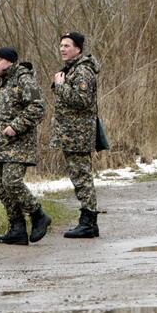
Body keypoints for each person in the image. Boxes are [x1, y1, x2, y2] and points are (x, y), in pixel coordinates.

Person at [0, 47, 51, 245]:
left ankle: (38, 214)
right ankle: (17, 229)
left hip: (19, 144)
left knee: (12, 183)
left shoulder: (24, 79)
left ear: (10, 62)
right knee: (2, 189)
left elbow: (38, 107)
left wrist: (15, 127)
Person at [50, 32, 102, 238]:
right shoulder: (71, 70)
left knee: (82, 178)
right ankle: (87, 221)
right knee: (79, 177)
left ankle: (88, 222)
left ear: (78, 49)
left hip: (78, 135)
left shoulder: (82, 71)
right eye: (61, 45)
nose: (62, 49)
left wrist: (61, 87)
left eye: (67, 45)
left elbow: (82, 101)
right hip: (70, 134)